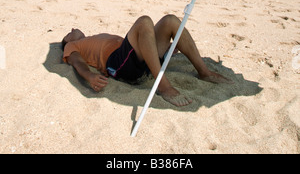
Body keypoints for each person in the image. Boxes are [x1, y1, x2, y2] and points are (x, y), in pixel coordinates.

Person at [62, 14, 230, 107]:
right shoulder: (73, 45)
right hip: (118, 66)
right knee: (144, 22)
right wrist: (89, 76)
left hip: (137, 58)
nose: (72, 29)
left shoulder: (92, 38)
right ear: (67, 41)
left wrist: (164, 50)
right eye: (68, 33)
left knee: (170, 21)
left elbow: (135, 43)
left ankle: (204, 72)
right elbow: (78, 63)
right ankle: (164, 86)